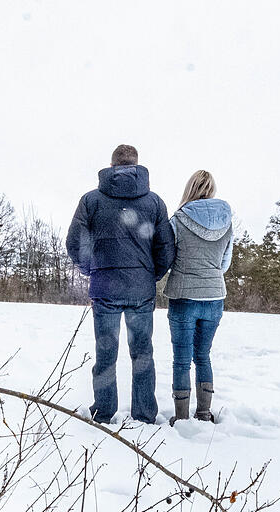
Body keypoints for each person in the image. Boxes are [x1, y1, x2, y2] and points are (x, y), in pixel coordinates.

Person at [66, 145, 175, 424]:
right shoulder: (154, 202)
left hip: (105, 290)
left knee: (105, 352)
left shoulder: (91, 200)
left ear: (112, 166)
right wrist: (151, 274)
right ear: (137, 165)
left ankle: (103, 411)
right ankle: (144, 413)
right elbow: (166, 247)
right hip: (141, 290)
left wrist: (91, 269)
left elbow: (75, 242)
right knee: (142, 353)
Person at [164, 169, 233, 424]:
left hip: (183, 297)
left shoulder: (178, 220)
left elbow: (168, 258)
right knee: (203, 356)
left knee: (181, 360)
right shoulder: (227, 220)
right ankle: (203, 413)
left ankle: (181, 418)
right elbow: (225, 263)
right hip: (214, 298)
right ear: (211, 189)